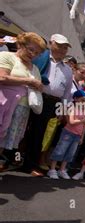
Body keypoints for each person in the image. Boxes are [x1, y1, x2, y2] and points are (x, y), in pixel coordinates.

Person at [22, 33, 73, 177]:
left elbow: (67, 94)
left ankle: (30, 164)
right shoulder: (39, 57)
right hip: (32, 95)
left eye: (65, 47)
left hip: (52, 103)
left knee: (39, 133)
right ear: (51, 43)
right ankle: (10, 158)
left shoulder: (68, 70)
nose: (63, 49)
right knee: (22, 127)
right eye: (60, 45)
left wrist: (62, 111)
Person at [0, 32, 45, 169]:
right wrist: (28, 81)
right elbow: (2, 77)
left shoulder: (35, 68)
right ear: (21, 44)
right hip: (4, 103)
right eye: (31, 49)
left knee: (7, 139)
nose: (33, 54)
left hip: (22, 108)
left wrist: (38, 85)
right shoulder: (7, 56)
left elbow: (39, 87)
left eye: (37, 53)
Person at [47, 90, 85, 179]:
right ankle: (52, 169)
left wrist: (82, 137)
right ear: (75, 99)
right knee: (60, 150)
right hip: (68, 133)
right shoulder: (72, 108)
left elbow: (84, 126)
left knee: (70, 153)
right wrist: (82, 120)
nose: (84, 103)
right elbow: (71, 122)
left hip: (77, 135)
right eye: (82, 100)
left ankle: (62, 170)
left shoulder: (84, 111)